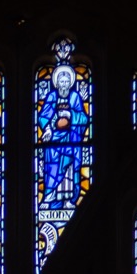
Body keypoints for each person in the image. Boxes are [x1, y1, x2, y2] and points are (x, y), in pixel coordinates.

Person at [39, 63, 88, 210]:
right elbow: (43, 116)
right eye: (62, 81)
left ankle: (68, 200)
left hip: (70, 140)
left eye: (67, 82)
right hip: (54, 141)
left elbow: (84, 119)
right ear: (57, 82)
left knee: (68, 170)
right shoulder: (52, 96)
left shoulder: (74, 97)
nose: (64, 84)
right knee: (52, 169)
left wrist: (71, 115)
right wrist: (47, 129)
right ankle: (50, 196)